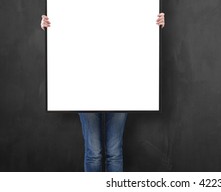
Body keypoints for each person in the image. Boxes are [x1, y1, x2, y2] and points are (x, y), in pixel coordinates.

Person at [41, 13, 165, 171]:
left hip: (121, 82)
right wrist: (50, 23)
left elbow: (138, 16)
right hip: (84, 81)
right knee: (94, 152)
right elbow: (65, 17)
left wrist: (155, 20)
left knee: (114, 152)